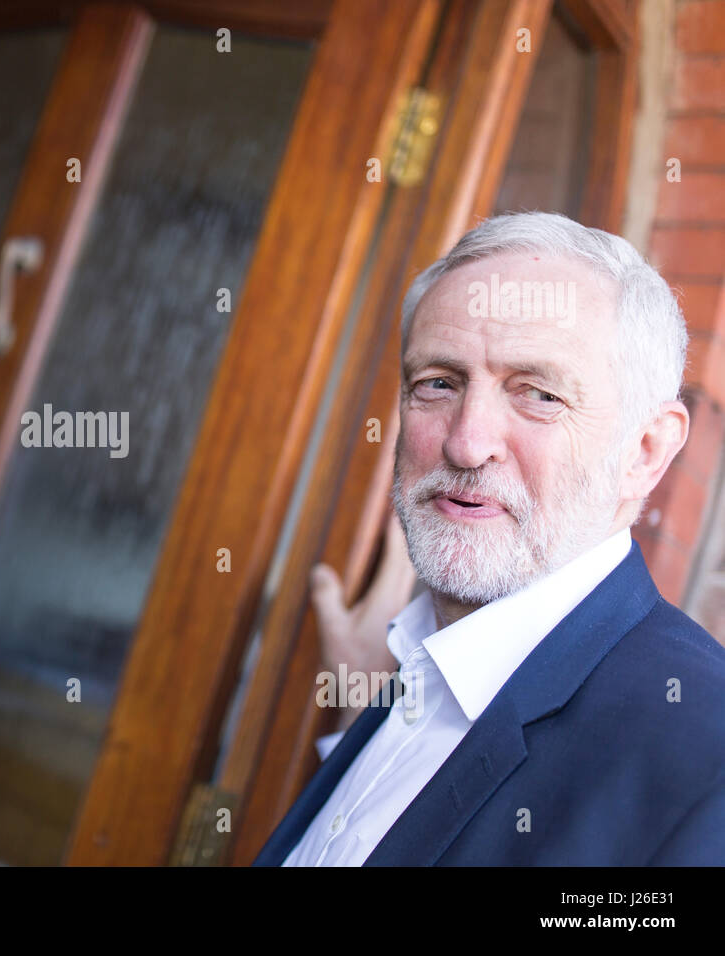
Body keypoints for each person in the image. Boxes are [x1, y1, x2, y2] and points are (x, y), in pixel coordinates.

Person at [255, 211, 725, 866]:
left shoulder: (706, 763)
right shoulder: (415, 667)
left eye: (538, 394)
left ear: (645, 451)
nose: (467, 441)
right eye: (438, 384)